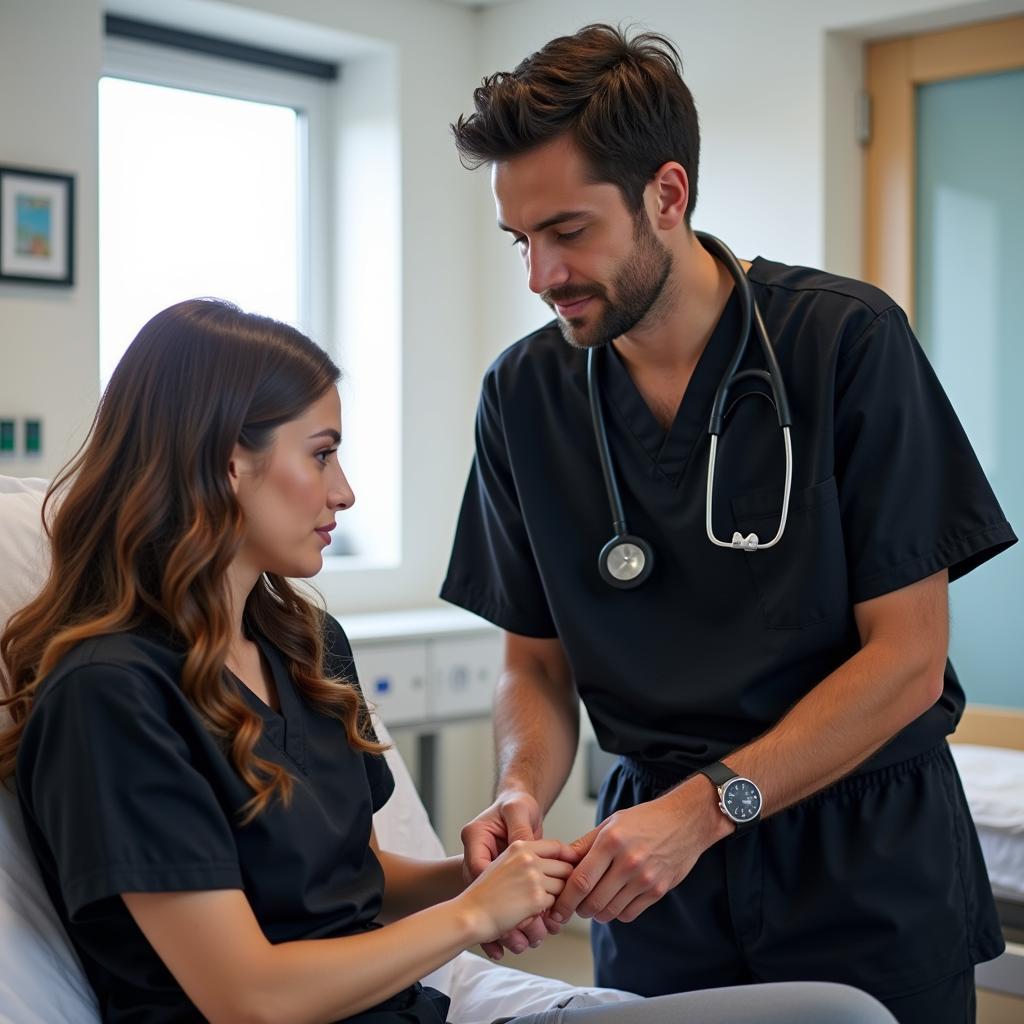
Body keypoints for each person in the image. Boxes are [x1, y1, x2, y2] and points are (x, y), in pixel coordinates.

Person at [0, 299, 895, 1024]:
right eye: (321, 454)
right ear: (225, 463)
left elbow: (348, 880)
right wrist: (470, 916)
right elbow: (249, 998)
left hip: (408, 1013)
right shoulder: (111, 696)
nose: (345, 491)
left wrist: (487, 876)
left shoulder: (300, 645)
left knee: (838, 1012)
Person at [441, 23, 1016, 1024]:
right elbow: (531, 663)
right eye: (519, 240)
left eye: (568, 231)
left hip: (861, 849)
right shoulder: (523, 396)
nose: (538, 275)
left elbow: (908, 660)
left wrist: (710, 809)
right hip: (654, 873)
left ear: (666, 194)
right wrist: (520, 790)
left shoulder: (843, 341)